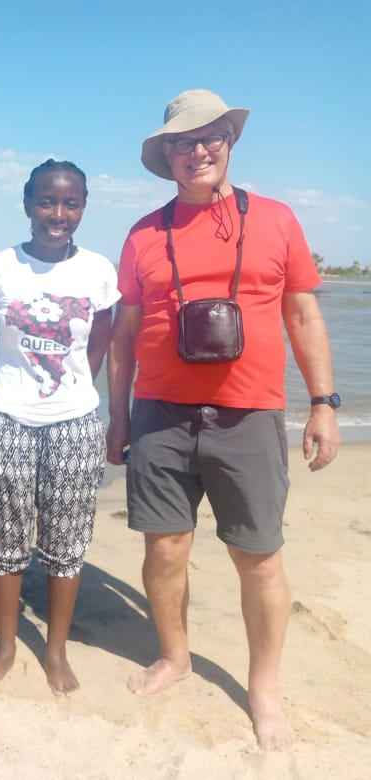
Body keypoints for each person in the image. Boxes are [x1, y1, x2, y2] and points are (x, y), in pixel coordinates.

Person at [106, 89, 340, 750]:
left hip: (251, 415)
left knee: (258, 556)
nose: (197, 150)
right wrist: (117, 417)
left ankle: (262, 689)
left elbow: (302, 315)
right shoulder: (144, 233)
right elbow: (124, 334)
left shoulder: (276, 220)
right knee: (164, 547)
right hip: (159, 414)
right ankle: (175, 657)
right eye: (182, 141)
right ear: (167, 155)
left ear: (229, 142)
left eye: (209, 137)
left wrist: (322, 403)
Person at [0, 160, 118, 694]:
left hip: (75, 423)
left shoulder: (99, 272)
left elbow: (96, 349)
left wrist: (69, 394)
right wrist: (5, 396)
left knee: (66, 543)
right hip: (7, 420)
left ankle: (55, 650)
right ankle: (7, 645)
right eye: (47, 202)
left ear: (83, 207)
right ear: (27, 203)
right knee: (7, 542)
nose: (58, 214)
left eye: (70, 203)